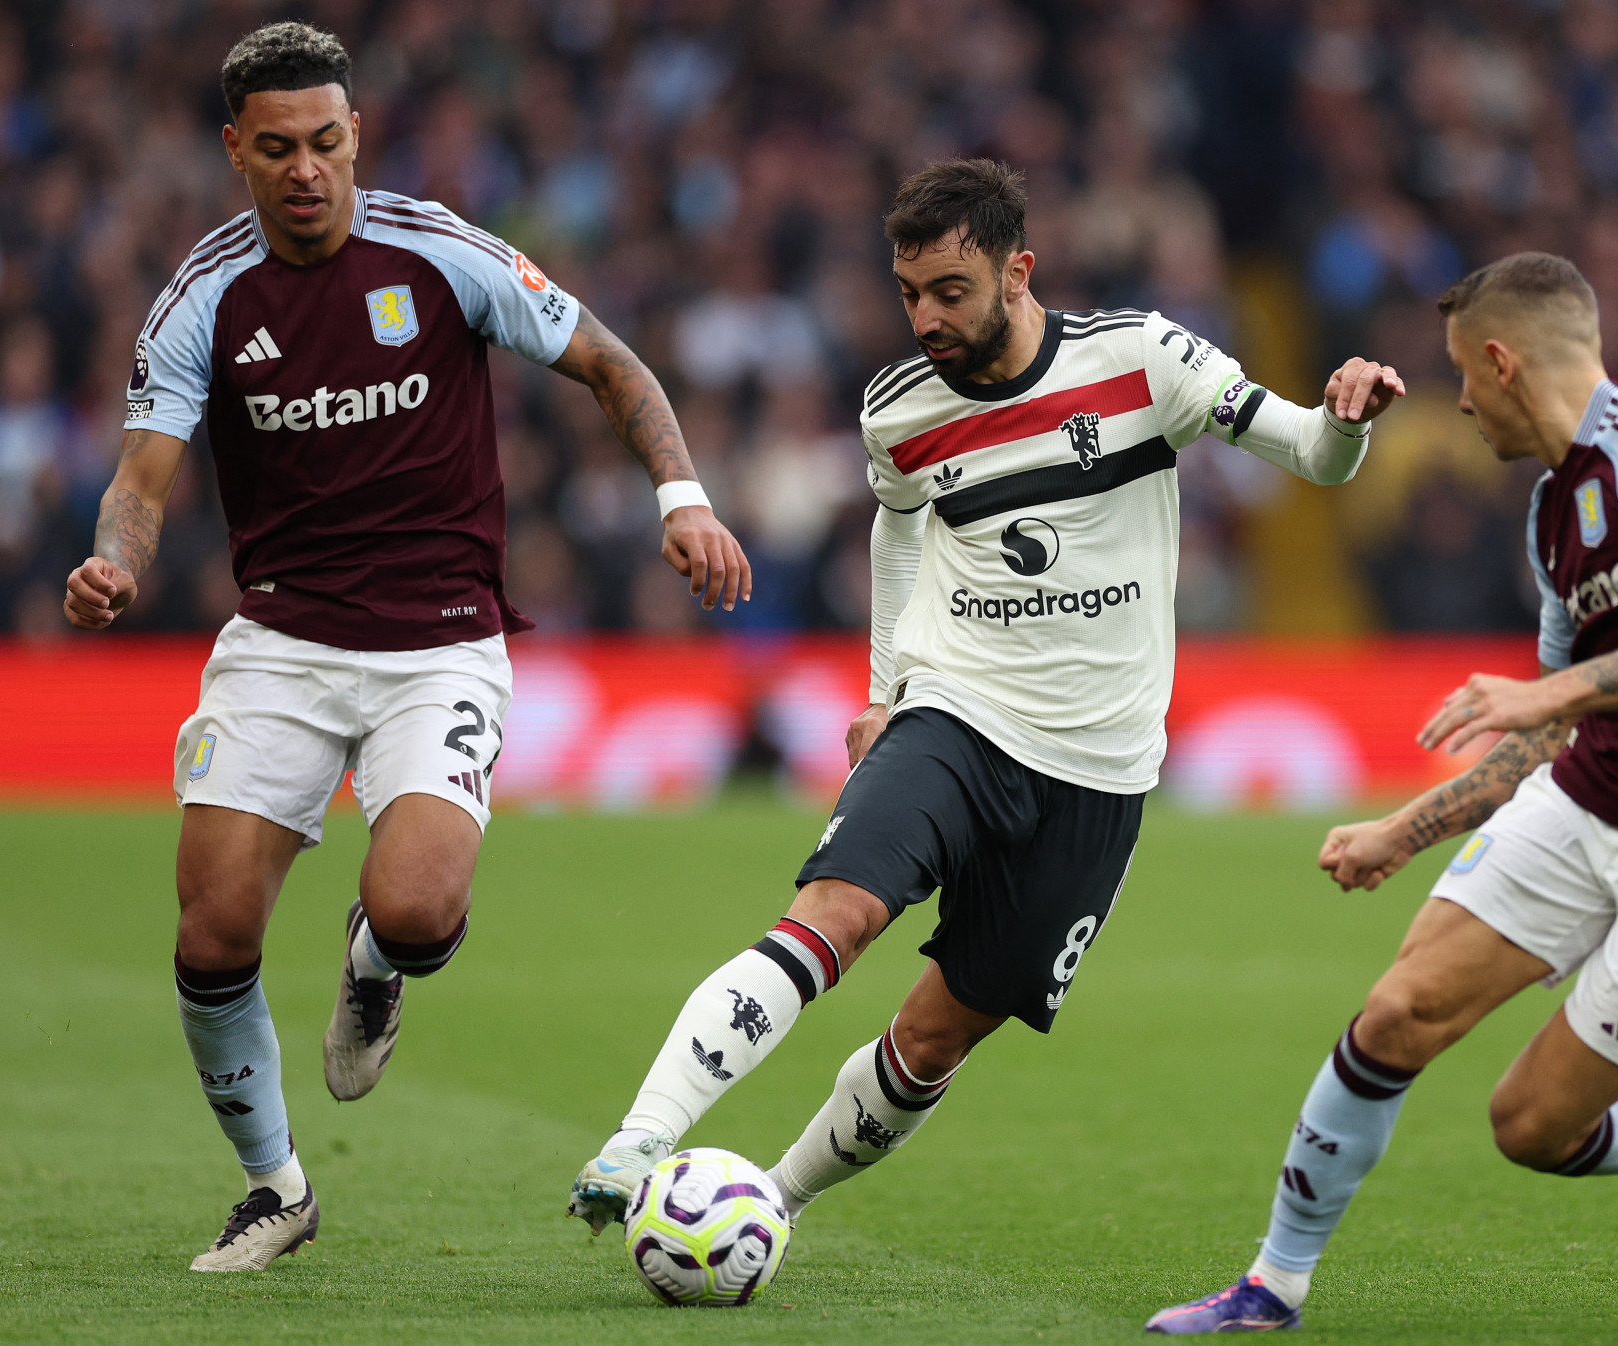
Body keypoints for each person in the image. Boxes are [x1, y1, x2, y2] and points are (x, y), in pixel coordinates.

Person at [563, 158, 1405, 1233]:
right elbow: (898, 524)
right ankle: (638, 1140)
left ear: (1020, 273)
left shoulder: (1141, 359)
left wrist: (1344, 417)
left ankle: (768, 1202)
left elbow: (1312, 457)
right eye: (909, 292)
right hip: (958, 714)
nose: (924, 317)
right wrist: (887, 688)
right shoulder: (898, 411)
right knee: (834, 913)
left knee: (932, 1040)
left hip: (1099, 773)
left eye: (949, 291)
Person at [61, 22, 751, 1272]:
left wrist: (683, 499)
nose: (308, 169)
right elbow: (143, 474)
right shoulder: (203, 297)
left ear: (356, 134)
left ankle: (379, 963)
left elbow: (609, 360)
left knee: (421, 906)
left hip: (441, 642)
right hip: (279, 639)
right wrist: (117, 557)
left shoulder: (438, 253)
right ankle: (276, 1186)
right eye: (279, 149)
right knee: (211, 934)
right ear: (237, 150)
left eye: (328, 141)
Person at [1147, 252, 1618, 1334]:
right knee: (1396, 1012)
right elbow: (1545, 727)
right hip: (1593, 799)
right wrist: (1398, 831)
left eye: (1465, 373)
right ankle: (1271, 1286)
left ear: (1502, 361)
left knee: (1532, 1126)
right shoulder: (1551, 510)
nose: (1459, 401)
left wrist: (1547, 691)